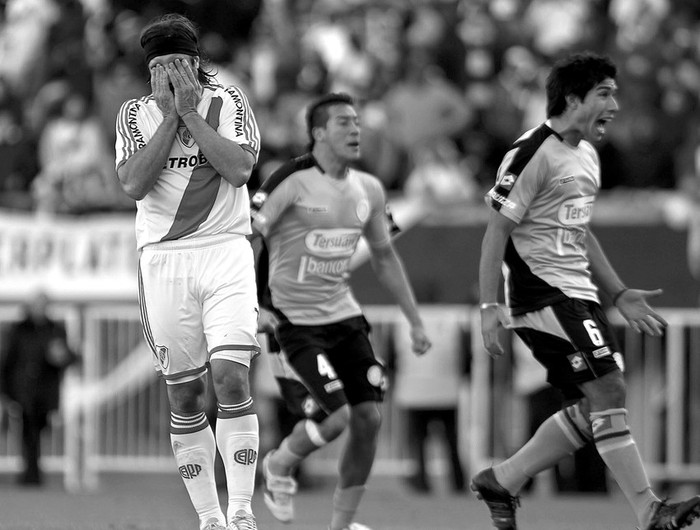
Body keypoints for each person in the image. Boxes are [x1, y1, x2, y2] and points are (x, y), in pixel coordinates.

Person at [472, 51, 700, 530]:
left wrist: (616, 291)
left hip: (578, 294)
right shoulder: (532, 152)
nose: (614, 105)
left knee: (593, 404)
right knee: (611, 388)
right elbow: (495, 232)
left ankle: (504, 479)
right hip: (542, 295)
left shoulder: (587, 155)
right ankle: (650, 511)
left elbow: (580, 229)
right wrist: (489, 306)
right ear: (573, 99)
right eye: (604, 94)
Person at [250, 92, 431, 530]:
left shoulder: (368, 188)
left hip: (344, 316)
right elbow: (247, 240)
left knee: (368, 418)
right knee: (336, 417)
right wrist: (252, 306)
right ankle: (278, 464)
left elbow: (385, 257)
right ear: (318, 133)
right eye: (344, 123)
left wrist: (415, 320)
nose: (356, 130)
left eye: (358, 122)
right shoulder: (288, 179)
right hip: (292, 321)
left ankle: (341, 525)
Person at [114, 13, 260, 530]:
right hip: (164, 259)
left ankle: (241, 512)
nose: (169, 76)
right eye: (159, 68)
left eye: (177, 64)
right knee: (184, 392)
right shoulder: (133, 115)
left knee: (230, 376)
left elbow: (240, 169)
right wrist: (171, 119)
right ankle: (209, 518)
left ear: (196, 64)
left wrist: (192, 115)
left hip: (224, 250)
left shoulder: (228, 102)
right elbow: (133, 184)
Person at [0, 291, 77, 486]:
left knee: (38, 429)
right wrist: (6, 391)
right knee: (28, 431)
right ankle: (31, 475)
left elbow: (70, 356)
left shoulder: (55, 330)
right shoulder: (18, 330)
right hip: (22, 390)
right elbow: (8, 361)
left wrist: (62, 356)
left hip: (46, 391)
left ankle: (31, 473)